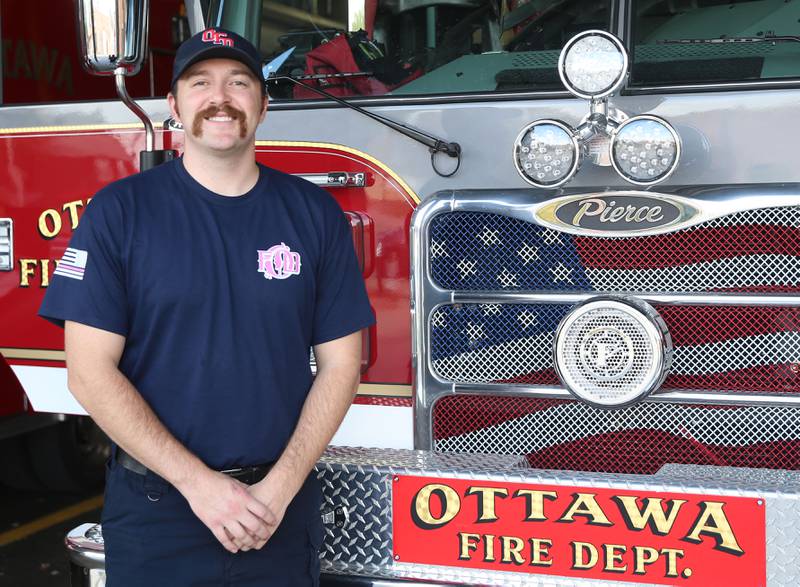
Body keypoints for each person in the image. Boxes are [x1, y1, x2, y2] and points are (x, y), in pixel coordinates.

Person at [39, 27, 374, 586]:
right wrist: (201, 487)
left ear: (263, 107)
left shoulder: (313, 215)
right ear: (173, 106)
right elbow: (88, 373)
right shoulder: (119, 213)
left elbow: (342, 364)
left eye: (240, 82)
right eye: (201, 83)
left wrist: (279, 488)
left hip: (277, 510)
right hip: (157, 510)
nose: (220, 98)